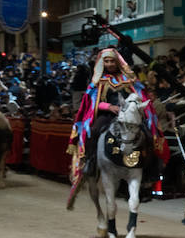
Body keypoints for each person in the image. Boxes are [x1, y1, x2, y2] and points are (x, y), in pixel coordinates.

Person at [66, 47, 160, 204]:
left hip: (129, 114)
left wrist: (132, 105)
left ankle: (151, 170)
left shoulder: (129, 78)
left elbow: (139, 95)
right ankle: (90, 162)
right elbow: (92, 102)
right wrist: (109, 107)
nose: (109, 64)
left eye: (112, 61)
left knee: (147, 134)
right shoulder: (98, 80)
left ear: (118, 62)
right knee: (94, 131)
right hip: (108, 115)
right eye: (107, 61)